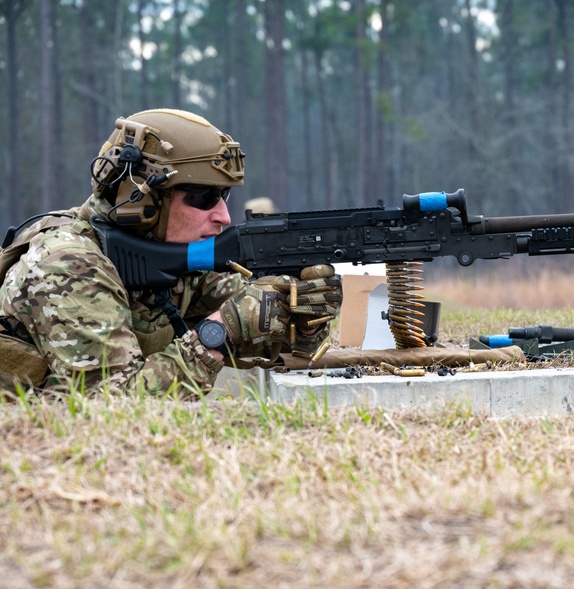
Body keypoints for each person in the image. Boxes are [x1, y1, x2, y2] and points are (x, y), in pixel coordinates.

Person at [0, 108, 342, 398]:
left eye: (224, 196)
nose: (223, 216)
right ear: (143, 198)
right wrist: (220, 331)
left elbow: (260, 328)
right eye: (203, 198)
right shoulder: (66, 263)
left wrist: (303, 317)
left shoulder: (170, 256)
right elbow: (112, 405)